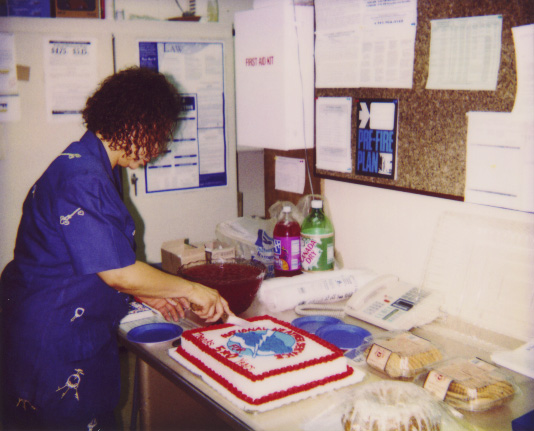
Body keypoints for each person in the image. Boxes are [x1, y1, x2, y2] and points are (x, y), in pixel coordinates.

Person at [0, 67, 233, 430]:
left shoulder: (88, 163)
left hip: (51, 326)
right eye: (159, 136)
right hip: (52, 346)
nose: (158, 150)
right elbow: (118, 271)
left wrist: (147, 294)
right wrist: (193, 289)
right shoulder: (83, 178)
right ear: (137, 124)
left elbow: (97, 258)